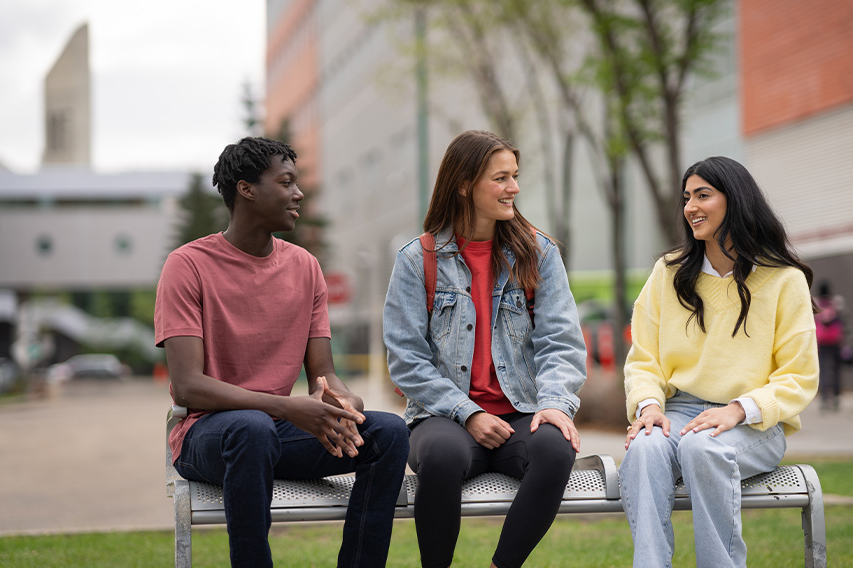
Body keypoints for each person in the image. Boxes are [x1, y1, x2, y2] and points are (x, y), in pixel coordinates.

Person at [155, 136, 409, 568]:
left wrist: (344, 405)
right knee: (251, 428)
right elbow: (187, 388)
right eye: (286, 182)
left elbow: (324, 374)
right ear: (246, 189)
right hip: (210, 435)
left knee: (388, 433)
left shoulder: (305, 266)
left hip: (279, 433)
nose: (299, 194)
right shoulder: (188, 265)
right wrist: (289, 408)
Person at [383, 130, 587, 568]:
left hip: (521, 411)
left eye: (515, 176)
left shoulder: (538, 252)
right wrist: (468, 412)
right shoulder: (417, 260)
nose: (514, 187)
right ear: (464, 184)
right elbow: (406, 358)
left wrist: (554, 405)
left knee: (557, 449)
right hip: (443, 417)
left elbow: (561, 342)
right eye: (501, 178)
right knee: (439, 456)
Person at [619, 156, 819, 568]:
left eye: (703, 195)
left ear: (736, 200)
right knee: (643, 449)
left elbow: (799, 375)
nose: (690, 206)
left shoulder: (783, 279)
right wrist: (649, 406)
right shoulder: (668, 273)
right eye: (687, 197)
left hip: (753, 422)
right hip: (679, 411)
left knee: (701, 447)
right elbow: (644, 359)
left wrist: (737, 411)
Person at [813, 280, 845, 411]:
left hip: (821, 341)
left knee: (823, 369)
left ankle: (824, 398)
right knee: (836, 370)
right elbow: (844, 322)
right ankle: (836, 397)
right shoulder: (837, 302)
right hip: (835, 341)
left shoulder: (815, 303)